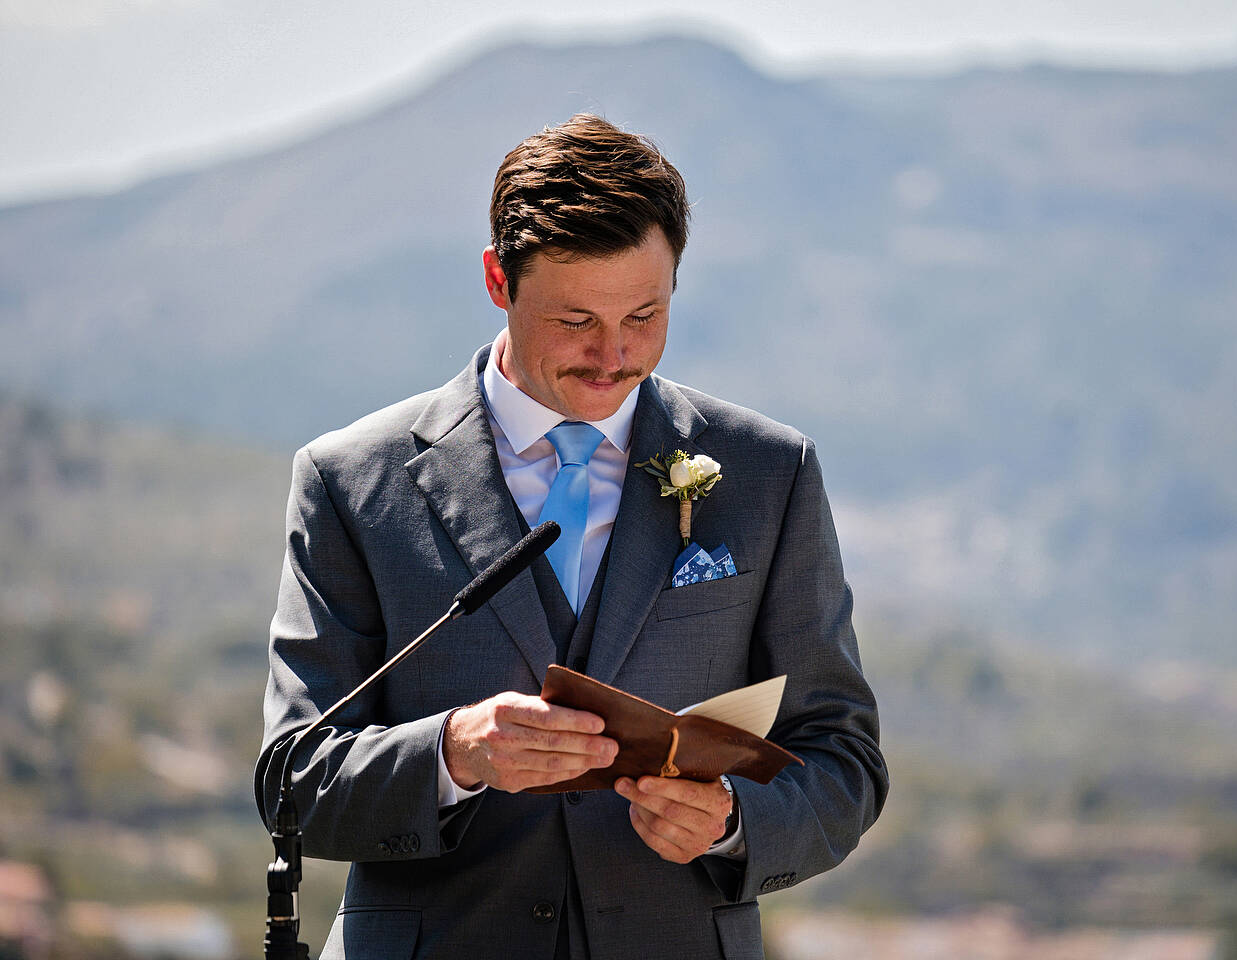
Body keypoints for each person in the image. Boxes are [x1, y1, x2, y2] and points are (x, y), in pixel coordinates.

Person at [255, 113, 887, 960]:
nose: (613, 355)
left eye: (645, 315)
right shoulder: (349, 481)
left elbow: (843, 759)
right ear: (498, 279)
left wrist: (734, 820)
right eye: (576, 320)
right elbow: (293, 778)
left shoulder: (769, 472)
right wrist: (453, 753)